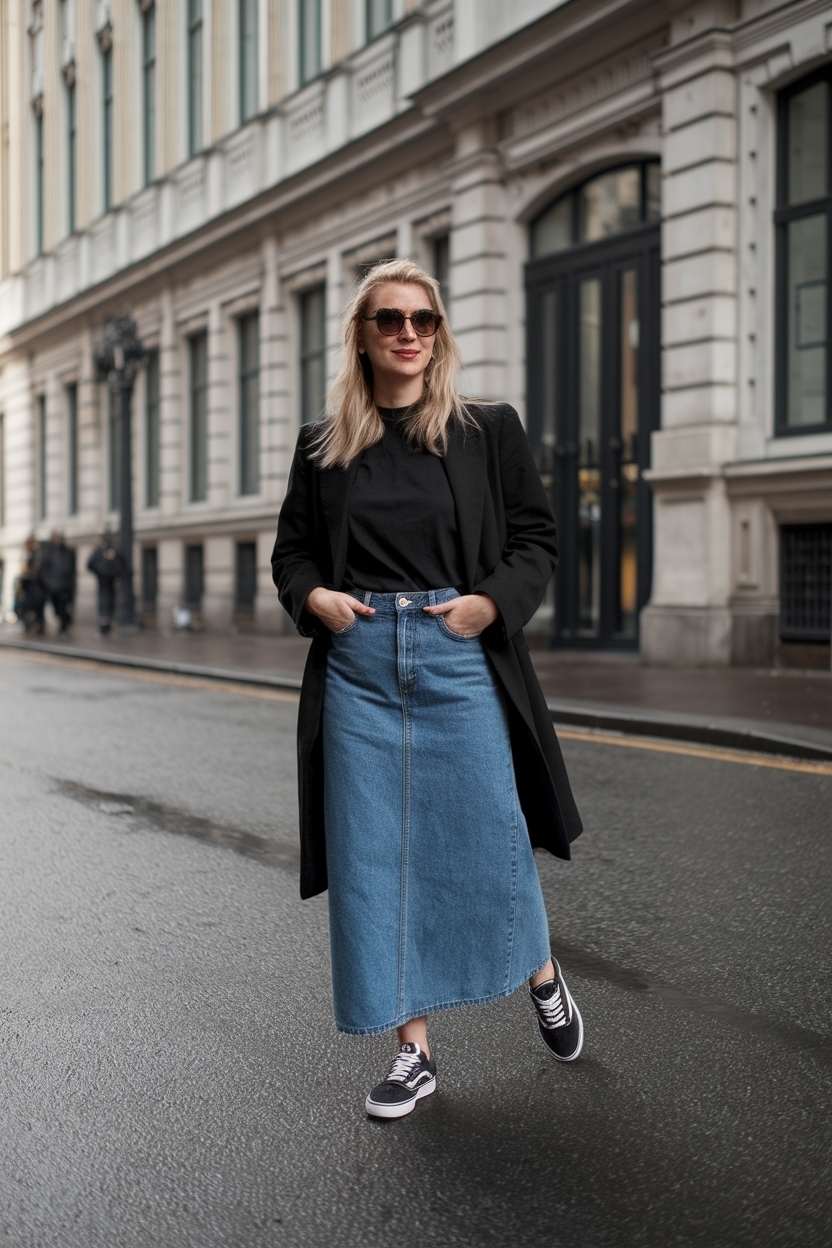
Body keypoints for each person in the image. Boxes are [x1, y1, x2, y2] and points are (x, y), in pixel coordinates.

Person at [272, 259, 584, 1121]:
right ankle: (413, 1053)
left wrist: (489, 605)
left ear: (438, 333)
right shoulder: (323, 446)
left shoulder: (486, 430)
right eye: (390, 320)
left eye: (424, 320)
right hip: (360, 662)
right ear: (362, 336)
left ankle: (543, 972)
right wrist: (313, 598)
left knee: (492, 831)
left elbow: (535, 537)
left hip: (456, 655)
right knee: (374, 861)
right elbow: (291, 552)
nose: (409, 333)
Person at [86, 532, 125, 636]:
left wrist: (117, 573)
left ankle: (108, 627)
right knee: (103, 604)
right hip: (103, 583)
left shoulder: (115, 551)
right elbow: (90, 564)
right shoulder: (99, 551)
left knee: (110, 603)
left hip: (111, 582)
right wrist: (100, 572)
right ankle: (103, 627)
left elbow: (123, 565)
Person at [39, 530, 76, 634]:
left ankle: (64, 626)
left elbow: (70, 570)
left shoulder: (67, 552)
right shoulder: (48, 551)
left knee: (62, 608)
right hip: (51, 586)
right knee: (55, 607)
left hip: (63, 586)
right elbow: (44, 569)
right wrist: (48, 582)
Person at [15, 536, 45, 634]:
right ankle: (27, 625)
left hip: (33, 584)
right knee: (23, 606)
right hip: (25, 584)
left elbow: (36, 567)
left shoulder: (36, 554)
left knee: (34, 606)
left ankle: (36, 625)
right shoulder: (26, 553)